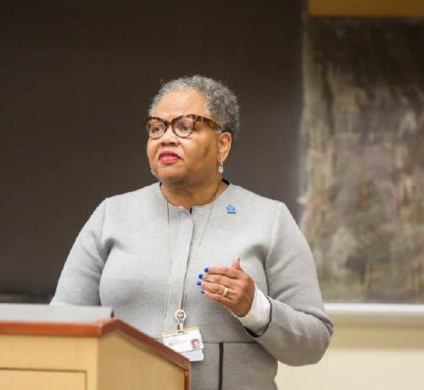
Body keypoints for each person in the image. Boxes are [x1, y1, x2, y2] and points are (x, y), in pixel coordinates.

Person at [52, 75, 333, 390]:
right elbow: (63, 326)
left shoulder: (270, 219)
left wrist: (255, 308)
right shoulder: (112, 215)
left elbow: (313, 342)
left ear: (222, 145)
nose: (166, 139)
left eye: (185, 126)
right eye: (157, 128)